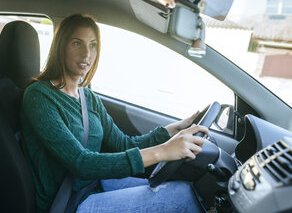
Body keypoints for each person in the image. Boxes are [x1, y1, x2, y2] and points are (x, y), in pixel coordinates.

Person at [20, 14, 209, 213]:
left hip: (93, 185)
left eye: (92, 45)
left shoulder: (88, 97)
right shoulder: (38, 96)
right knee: (183, 198)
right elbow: (81, 162)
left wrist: (173, 130)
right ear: (60, 47)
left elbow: (123, 144)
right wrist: (162, 151)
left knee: (187, 190)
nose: (86, 54)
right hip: (67, 203)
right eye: (77, 43)